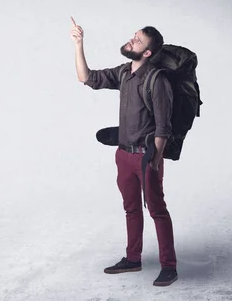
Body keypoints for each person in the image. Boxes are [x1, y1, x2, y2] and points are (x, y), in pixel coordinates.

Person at [70, 16, 178, 287]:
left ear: (148, 52)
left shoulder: (157, 80)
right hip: (122, 155)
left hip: (146, 157)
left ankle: (169, 266)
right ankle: (133, 258)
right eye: (134, 36)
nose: (132, 40)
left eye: (137, 40)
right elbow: (86, 78)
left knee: (157, 209)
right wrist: (78, 44)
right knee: (131, 208)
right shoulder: (124, 72)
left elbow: (164, 127)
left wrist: (154, 158)